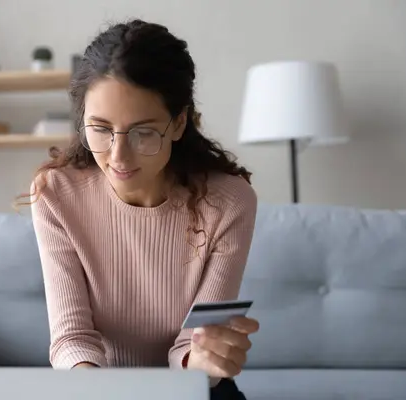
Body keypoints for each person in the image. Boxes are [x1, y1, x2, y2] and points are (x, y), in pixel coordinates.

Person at [26, 19, 259, 400]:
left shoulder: (229, 202)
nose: (117, 157)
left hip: (191, 387)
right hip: (93, 385)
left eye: (143, 132)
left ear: (179, 122)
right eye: (100, 128)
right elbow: (72, 338)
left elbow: (191, 344)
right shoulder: (57, 194)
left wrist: (203, 358)